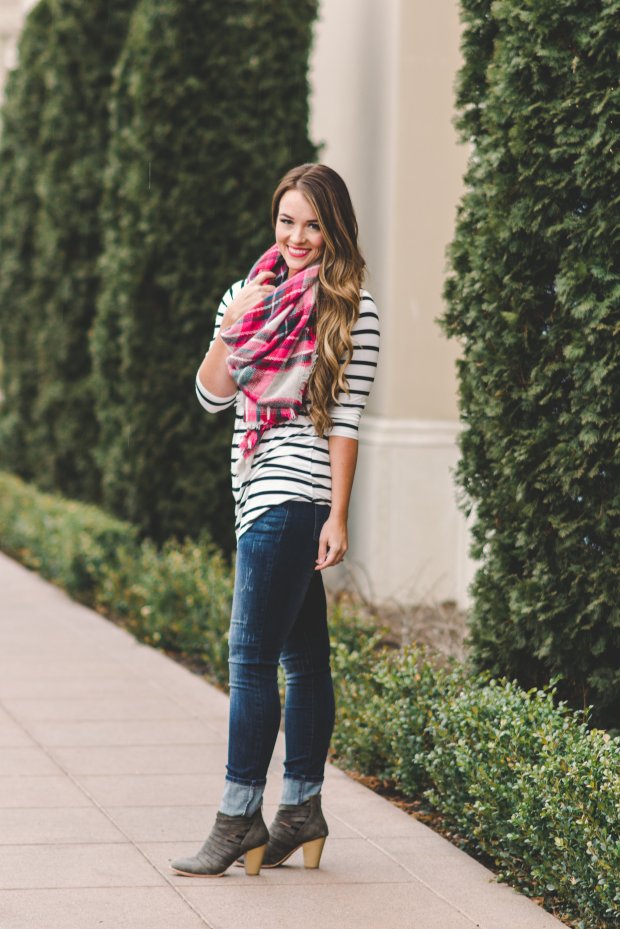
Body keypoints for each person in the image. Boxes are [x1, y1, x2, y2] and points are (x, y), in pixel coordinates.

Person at [170, 163, 380, 878]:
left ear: (334, 230)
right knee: (302, 658)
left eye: (313, 224)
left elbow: (346, 421)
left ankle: (237, 819)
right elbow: (209, 395)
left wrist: (339, 515)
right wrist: (234, 326)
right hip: (255, 484)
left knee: (250, 659)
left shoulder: (354, 306)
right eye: (287, 221)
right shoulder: (247, 294)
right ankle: (301, 809)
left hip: (294, 493)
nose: (298, 236)